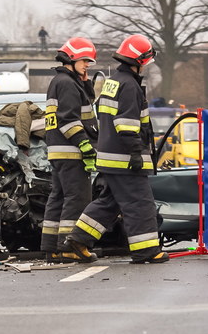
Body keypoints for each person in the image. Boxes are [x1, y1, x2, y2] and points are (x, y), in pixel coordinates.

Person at [64, 34, 168, 264]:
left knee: (109, 204)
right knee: (140, 203)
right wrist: (135, 154)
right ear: (139, 60)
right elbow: (127, 124)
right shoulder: (130, 86)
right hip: (125, 159)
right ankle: (146, 251)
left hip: (110, 158)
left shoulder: (113, 81)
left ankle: (78, 240)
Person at [41, 37, 99, 261]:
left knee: (58, 198)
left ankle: (52, 248)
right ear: (72, 59)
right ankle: (67, 248)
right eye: (84, 61)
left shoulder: (60, 81)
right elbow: (69, 120)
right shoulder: (66, 83)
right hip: (71, 151)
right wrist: (85, 146)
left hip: (59, 152)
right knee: (77, 199)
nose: (87, 65)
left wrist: (85, 82)